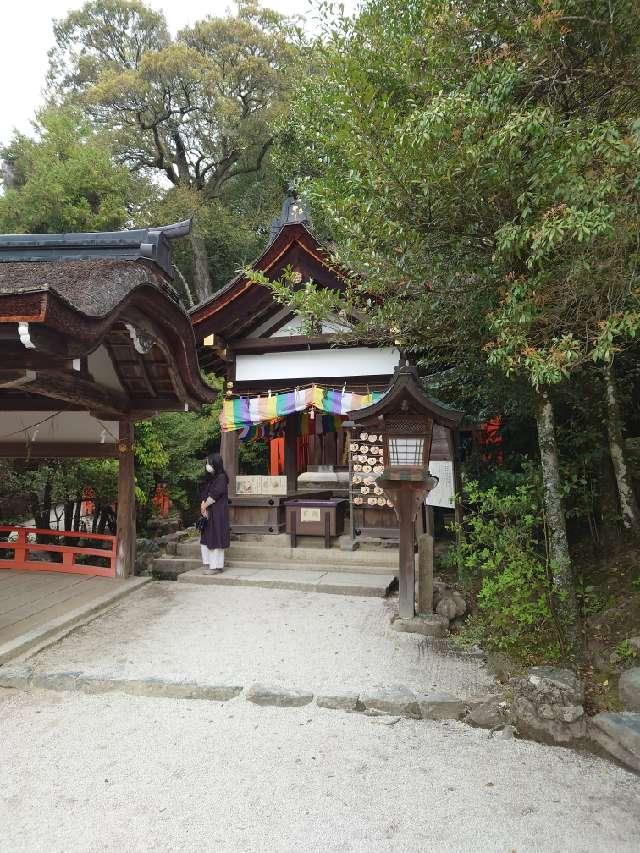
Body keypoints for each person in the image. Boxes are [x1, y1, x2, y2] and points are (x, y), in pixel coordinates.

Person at [199, 453, 230, 574]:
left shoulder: (221, 477)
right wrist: (203, 504)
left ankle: (216, 566)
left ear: (215, 464)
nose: (207, 465)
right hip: (209, 512)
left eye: (209, 463)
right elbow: (205, 493)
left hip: (218, 513)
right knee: (206, 537)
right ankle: (208, 563)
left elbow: (215, 495)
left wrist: (205, 505)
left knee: (215, 537)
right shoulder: (212, 477)